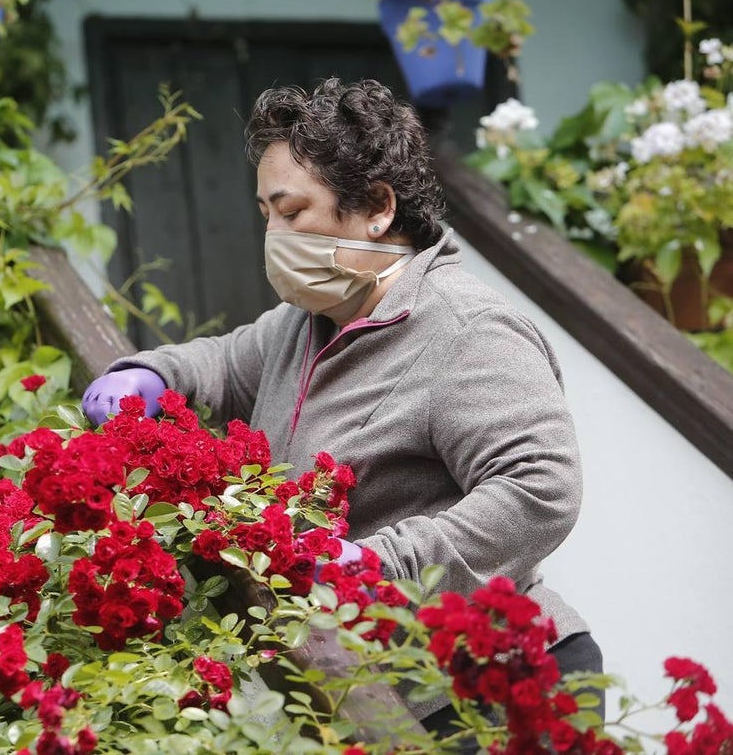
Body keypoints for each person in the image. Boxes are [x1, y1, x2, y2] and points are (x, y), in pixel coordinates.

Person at [80, 77, 601, 743]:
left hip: (496, 687)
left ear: (377, 207)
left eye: (293, 211)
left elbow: (541, 488)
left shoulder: (466, 329)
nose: (273, 233)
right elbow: (223, 362)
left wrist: (379, 564)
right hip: (381, 699)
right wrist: (148, 376)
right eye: (266, 212)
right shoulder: (305, 324)